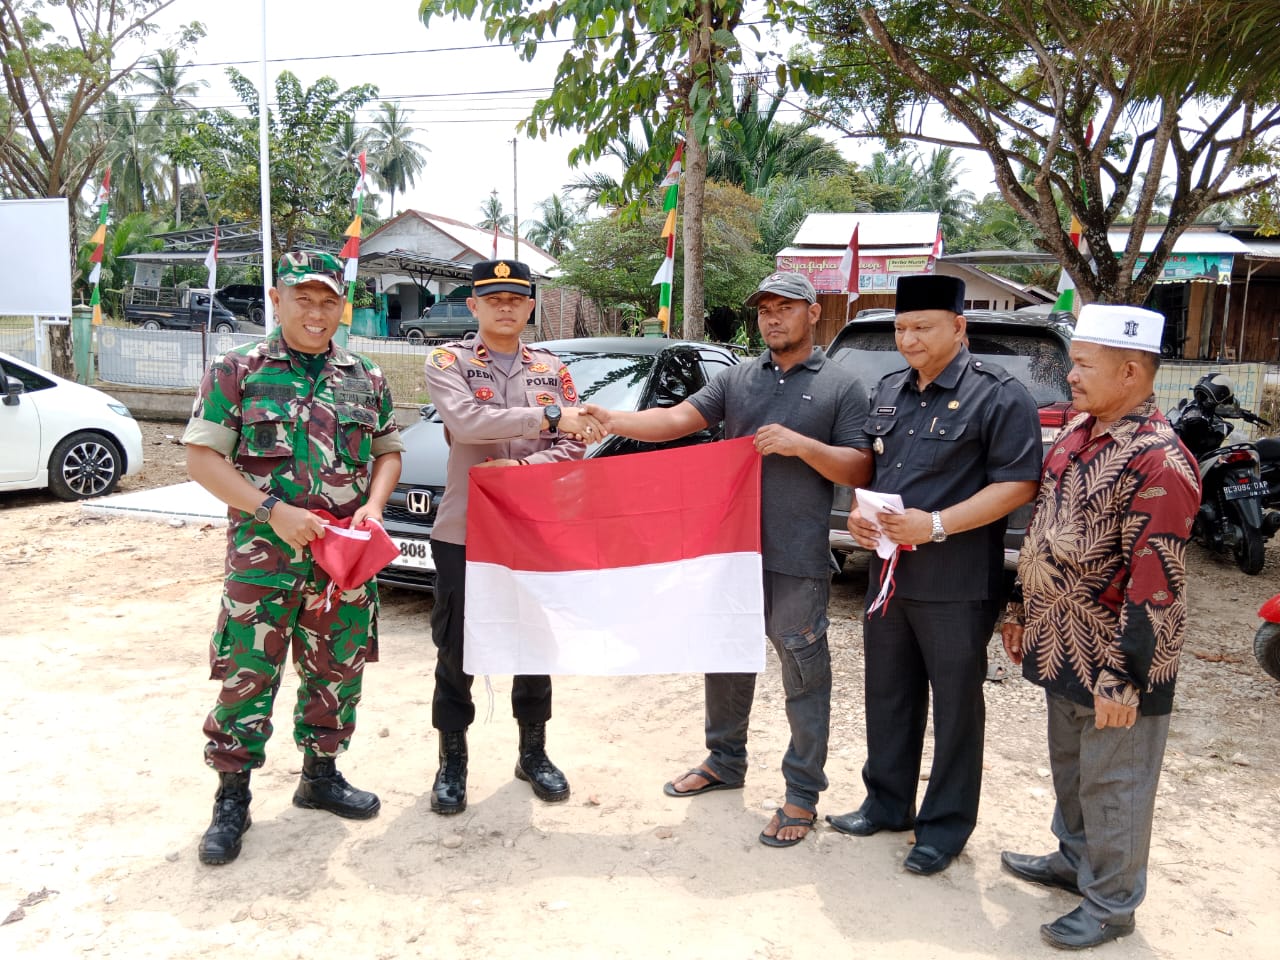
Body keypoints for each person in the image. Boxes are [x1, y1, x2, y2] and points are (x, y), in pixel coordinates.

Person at [585, 271, 872, 847]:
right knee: (725, 657)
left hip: (797, 555)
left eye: (785, 308)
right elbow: (675, 421)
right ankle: (724, 760)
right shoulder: (739, 379)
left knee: (803, 672)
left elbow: (859, 468)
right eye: (764, 309)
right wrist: (612, 419)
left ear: (813, 313)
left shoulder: (843, 386)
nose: (772, 318)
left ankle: (801, 793)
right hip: (733, 551)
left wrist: (804, 447)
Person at [184, 250, 405, 866]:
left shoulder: (366, 376)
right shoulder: (237, 370)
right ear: (276, 300)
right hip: (264, 561)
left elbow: (388, 451)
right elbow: (203, 461)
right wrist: (270, 511)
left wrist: (375, 506)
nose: (316, 312)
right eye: (302, 298)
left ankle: (321, 775)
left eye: (328, 300)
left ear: (343, 307)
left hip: (342, 564)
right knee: (246, 676)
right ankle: (233, 795)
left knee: (337, 668)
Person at [999, 304, 1200, 949]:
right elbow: (1041, 531)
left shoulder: (1159, 461)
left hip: (1116, 657)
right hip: (1062, 641)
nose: (1071, 375)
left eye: (1083, 364)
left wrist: (1127, 676)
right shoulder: (1080, 433)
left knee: (1117, 782)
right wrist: (1019, 608)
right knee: (1072, 766)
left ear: (1132, 369)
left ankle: (1113, 903)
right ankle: (1073, 859)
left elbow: (1158, 584)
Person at [826, 274, 1042, 875]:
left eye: (923, 327)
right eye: (900, 328)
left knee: (955, 706)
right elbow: (875, 469)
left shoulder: (998, 394)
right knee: (888, 693)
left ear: (958, 327)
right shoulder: (891, 389)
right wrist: (865, 522)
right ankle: (887, 803)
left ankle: (944, 828)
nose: (909, 340)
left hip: (956, 579)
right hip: (889, 576)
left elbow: (1018, 484)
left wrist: (939, 524)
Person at [423, 258, 600, 815]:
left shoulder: (553, 368)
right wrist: (551, 418)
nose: (505, 307)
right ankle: (453, 762)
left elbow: (578, 446)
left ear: (530, 307)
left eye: (516, 298)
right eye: (492, 298)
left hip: (533, 529)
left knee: (534, 640)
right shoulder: (446, 360)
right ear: (473, 305)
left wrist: (524, 471)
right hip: (464, 529)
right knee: (456, 647)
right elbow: (467, 423)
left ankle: (533, 753)